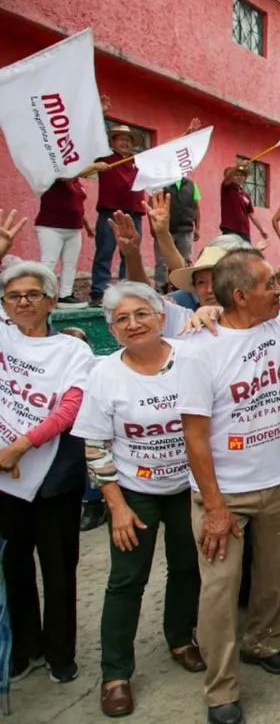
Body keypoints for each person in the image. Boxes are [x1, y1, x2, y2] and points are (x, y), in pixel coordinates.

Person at [177, 249, 280, 724]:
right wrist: (216, 507)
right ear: (241, 295)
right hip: (224, 491)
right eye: (270, 282)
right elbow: (194, 437)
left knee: (278, 574)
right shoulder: (197, 348)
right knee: (220, 592)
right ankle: (221, 690)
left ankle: (262, 643)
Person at [71, 282, 205, 717]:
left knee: (188, 568)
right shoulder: (105, 374)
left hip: (189, 487)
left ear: (160, 315)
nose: (133, 324)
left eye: (141, 314)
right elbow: (95, 444)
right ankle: (115, 674)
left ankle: (181, 638)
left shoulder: (191, 358)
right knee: (127, 581)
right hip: (134, 493)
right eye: (122, 319)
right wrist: (116, 506)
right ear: (112, 328)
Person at [0, 241, 96, 684]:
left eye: (31, 294)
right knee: (13, 566)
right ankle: (25, 648)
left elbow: (69, 409)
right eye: (12, 295)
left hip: (54, 478)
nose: (22, 302)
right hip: (4, 481)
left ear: (52, 300)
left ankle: (60, 652)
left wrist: (20, 446)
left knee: (59, 571)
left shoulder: (72, 351)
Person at [90, 125, 145, 306]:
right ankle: (99, 292)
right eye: (121, 139)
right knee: (104, 252)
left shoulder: (139, 161)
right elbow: (82, 157)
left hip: (134, 214)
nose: (125, 142)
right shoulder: (104, 159)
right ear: (112, 142)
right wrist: (95, 165)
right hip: (110, 213)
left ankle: (127, 290)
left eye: (128, 140)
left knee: (130, 255)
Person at [34, 176, 94, 309]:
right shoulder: (56, 176)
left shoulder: (76, 182)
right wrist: (94, 165)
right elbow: (64, 175)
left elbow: (77, 206)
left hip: (74, 228)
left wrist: (87, 226)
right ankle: (41, 295)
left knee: (70, 264)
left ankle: (65, 296)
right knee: (49, 261)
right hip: (51, 226)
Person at [155, 175, 202, 291]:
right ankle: (160, 290)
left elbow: (196, 208)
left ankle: (183, 289)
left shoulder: (191, 185)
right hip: (166, 230)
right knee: (162, 262)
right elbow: (153, 204)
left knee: (185, 261)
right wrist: (154, 228)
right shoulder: (161, 183)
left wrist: (198, 228)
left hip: (186, 230)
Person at [218, 164, 268, 244]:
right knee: (232, 255)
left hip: (245, 233)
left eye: (242, 175)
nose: (239, 177)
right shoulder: (226, 188)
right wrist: (240, 165)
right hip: (230, 231)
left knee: (247, 255)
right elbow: (228, 176)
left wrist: (261, 229)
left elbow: (252, 215)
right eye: (236, 175)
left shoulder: (245, 195)